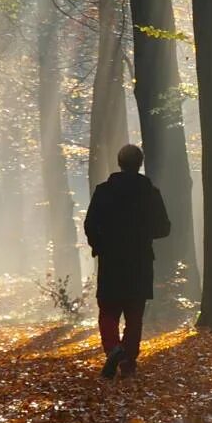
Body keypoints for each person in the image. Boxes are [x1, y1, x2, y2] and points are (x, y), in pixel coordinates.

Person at [83, 143, 171, 379]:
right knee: (134, 315)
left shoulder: (103, 191)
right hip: (139, 260)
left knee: (108, 311)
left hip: (111, 260)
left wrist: (99, 245)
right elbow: (164, 228)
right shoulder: (150, 192)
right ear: (140, 163)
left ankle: (113, 349)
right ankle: (128, 363)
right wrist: (143, 233)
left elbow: (90, 225)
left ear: (119, 163)